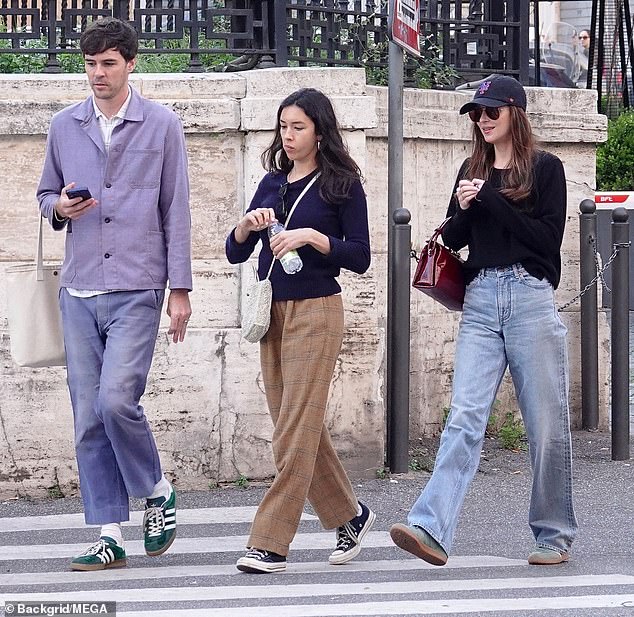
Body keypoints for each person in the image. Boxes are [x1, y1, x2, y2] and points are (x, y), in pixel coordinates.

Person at [390, 76, 578, 567]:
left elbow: (544, 242)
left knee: (545, 424)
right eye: (476, 113)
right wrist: (466, 208)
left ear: (516, 112)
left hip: (530, 297)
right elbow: (452, 236)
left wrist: (490, 200)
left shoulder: (546, 169)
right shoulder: (471, 169)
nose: (483, 119)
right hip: (480, 299)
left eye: (492, 110)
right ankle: (430, 527)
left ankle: (553, 534)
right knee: (465, 418)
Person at [36, 17, 192, 571]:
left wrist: (180, 289)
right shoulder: (64, 126)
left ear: (130, 64)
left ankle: (154, 489)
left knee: (115, 401)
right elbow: (44, 194)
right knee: (87, 416)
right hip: (77, 288)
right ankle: (107, 532)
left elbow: (176, 209)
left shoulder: (162, 125)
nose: (97, 74)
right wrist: (58, 207)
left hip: (138, 287)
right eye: (90, 64)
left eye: (107, 63)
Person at [225, 87, 375, 574]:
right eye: (283, 127)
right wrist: (248, 226)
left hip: (317, 309)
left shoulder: (343, 183)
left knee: (292, 429)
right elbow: (234, 251)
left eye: (298, 128)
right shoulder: (272, 182)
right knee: (296, 424)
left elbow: (360, 256)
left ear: (319, 130)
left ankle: (270, 542)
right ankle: (350, 516)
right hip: (273, 312)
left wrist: (313, 237)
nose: (288, 137)